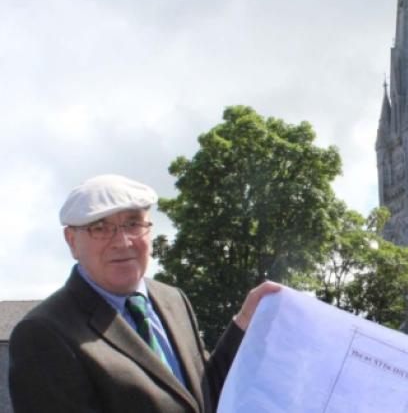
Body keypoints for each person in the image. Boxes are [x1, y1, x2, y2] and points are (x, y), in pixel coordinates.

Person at [9, 174, 280, 413]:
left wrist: (243, 323)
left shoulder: (172, 299)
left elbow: (201, 395)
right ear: (71, 241)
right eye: (100, 228)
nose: (122, 241)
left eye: (133, 223)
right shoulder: (43, 333)